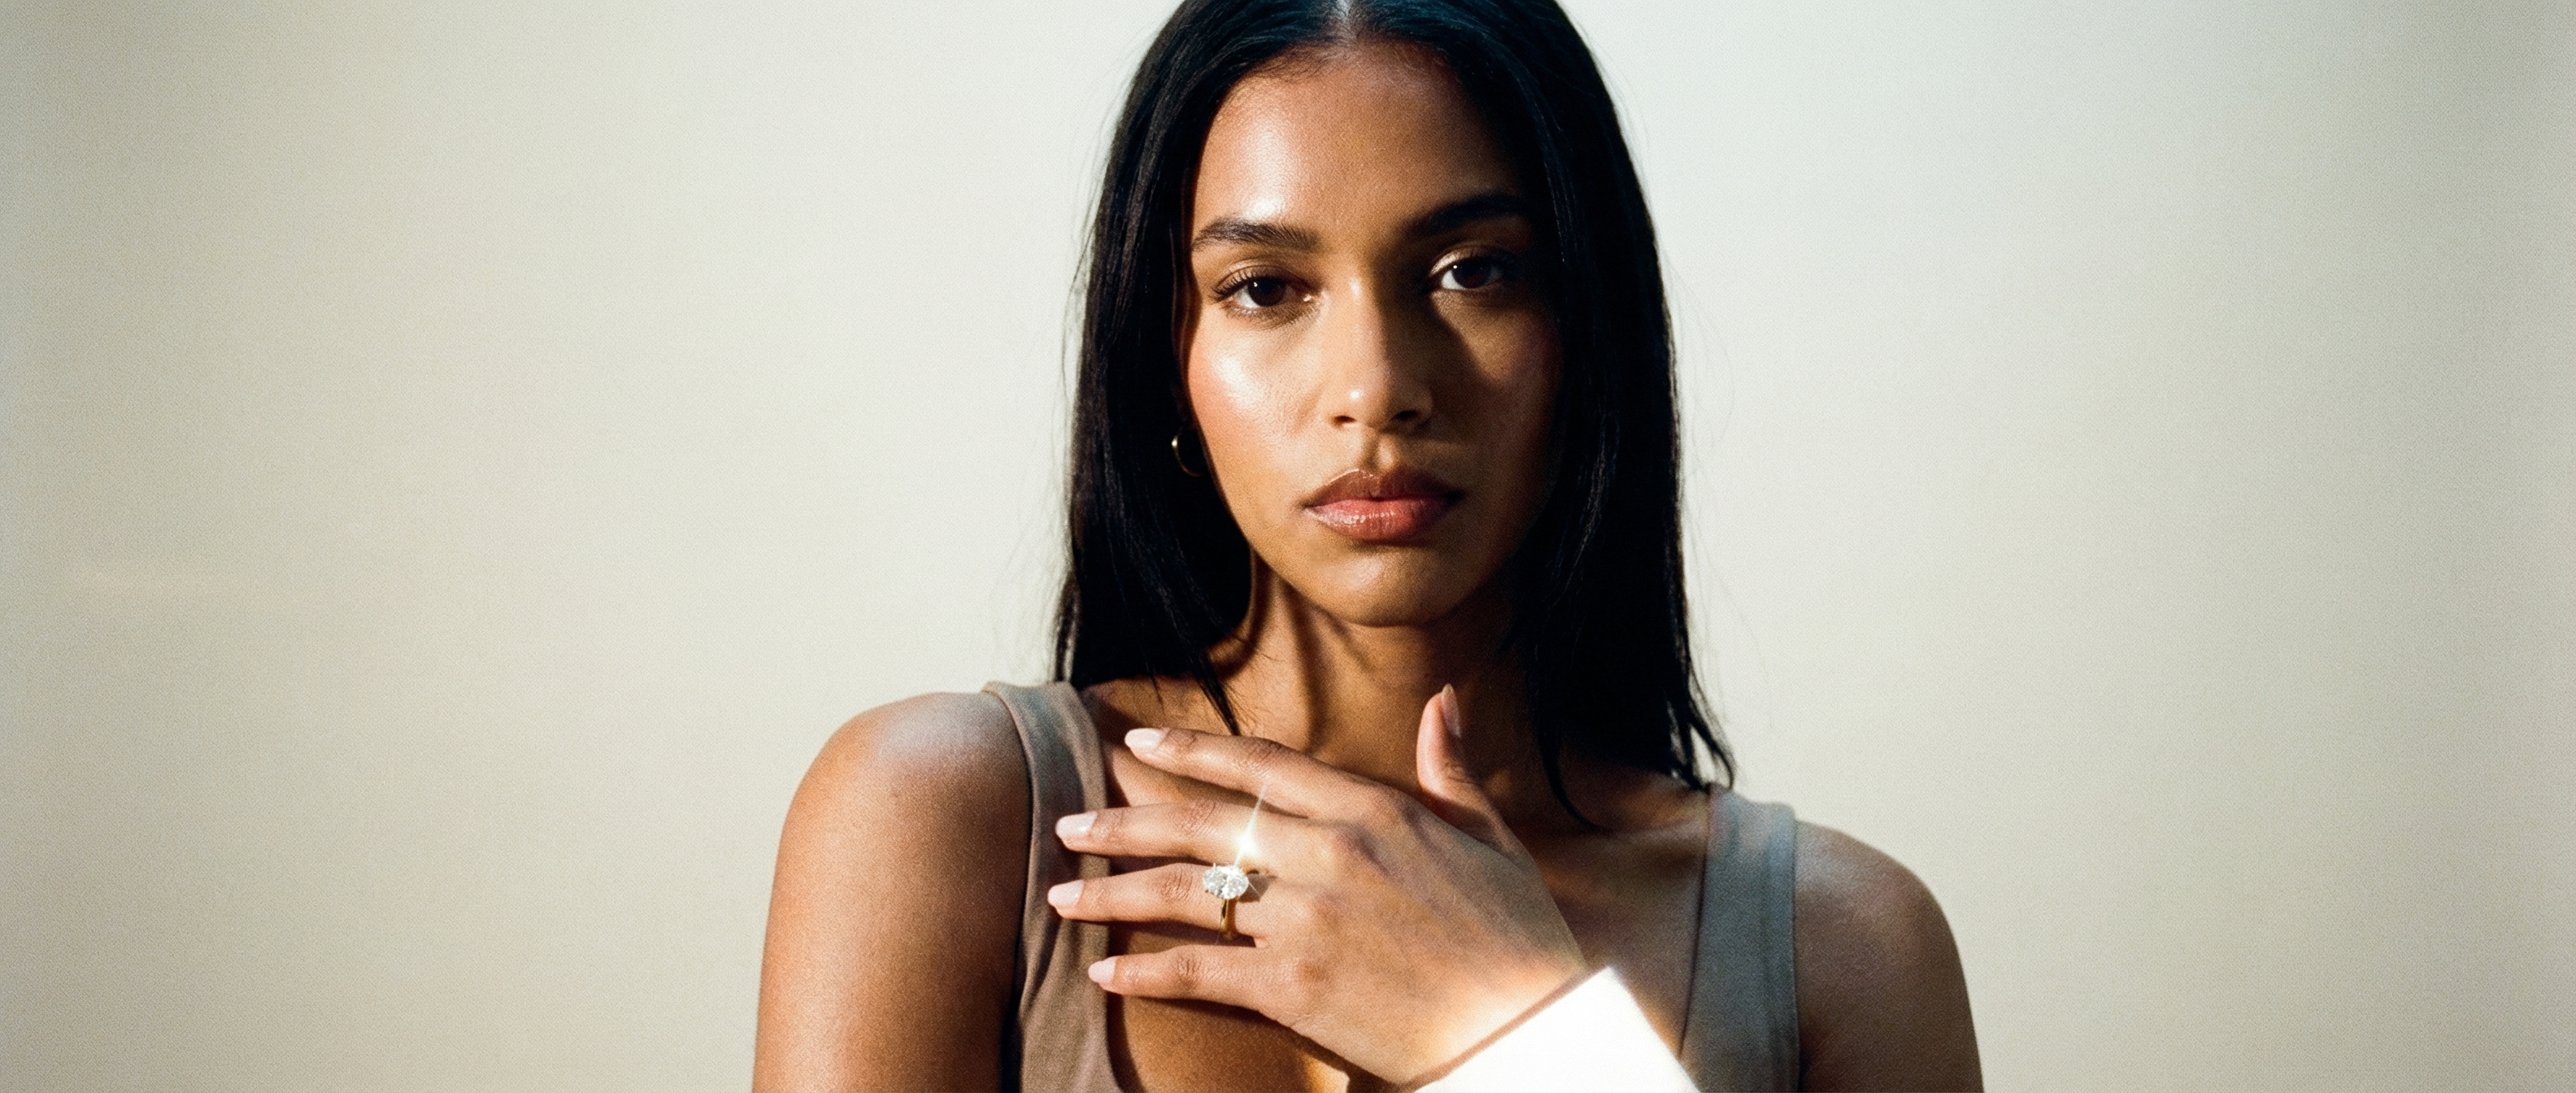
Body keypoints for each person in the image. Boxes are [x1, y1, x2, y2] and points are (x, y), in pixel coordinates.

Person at [755, 1, 1980, 1089]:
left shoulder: (1843, 948)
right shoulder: (943, 817)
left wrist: (1527, 1037)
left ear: (1587, 330)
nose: (1377, 387)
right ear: (1165, 358)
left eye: (1471, 271)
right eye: (1264, 287)